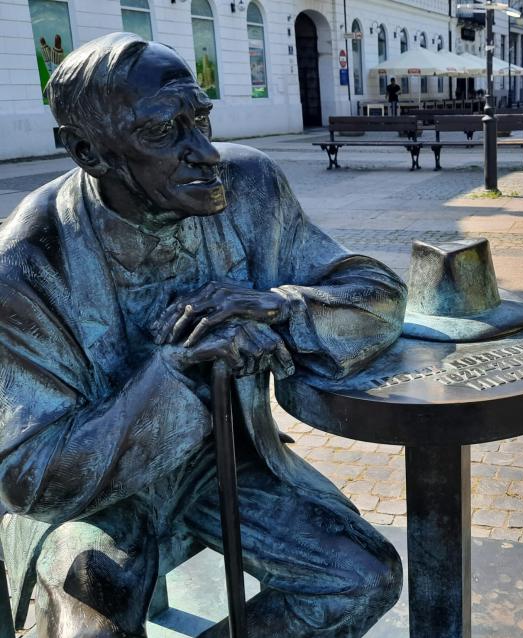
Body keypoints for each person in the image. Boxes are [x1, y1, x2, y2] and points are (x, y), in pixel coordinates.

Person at [0, 33, 405, 636]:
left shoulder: (248, 187)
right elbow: (30, 479)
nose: (207, 153)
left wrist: (277, 307)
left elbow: (380, 296)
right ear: (89, 152)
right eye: (163, 132)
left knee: (360, 579)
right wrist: (172, 370)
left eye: (201, 119)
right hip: (95, 500)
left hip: (228, 460)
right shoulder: (27, 265)